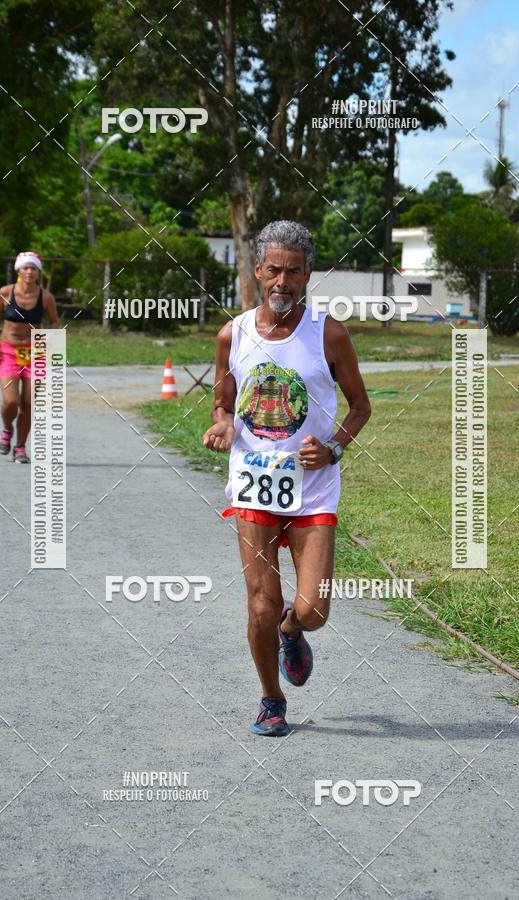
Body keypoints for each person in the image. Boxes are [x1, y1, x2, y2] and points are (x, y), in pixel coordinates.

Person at [203, 220, 371, 736]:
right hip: (255, 486)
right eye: (273, 269)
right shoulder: (233, 334)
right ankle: (271, 698)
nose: (282, 280)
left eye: (293, 272)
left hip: (312, 489)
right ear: (257, 270)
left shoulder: (329, 334)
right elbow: (222, 402)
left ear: (307, 275)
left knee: (314, 607)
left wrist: (335, 446)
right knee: (259, 602)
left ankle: (292, 631)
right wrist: (223, 424)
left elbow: (360, 406)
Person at [0, 252, 58, 463]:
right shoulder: (5, 292)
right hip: (9, 351)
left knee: (28, 403)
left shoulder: (45, 297)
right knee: (11, 401)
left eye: (33, 268)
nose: (29, 272)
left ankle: (20, 447)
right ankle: (7, 429)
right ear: (19, 270)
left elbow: (54, 321)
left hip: (34, 353)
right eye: (26, 268)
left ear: (38, 272)